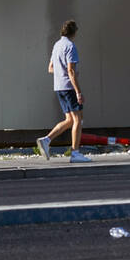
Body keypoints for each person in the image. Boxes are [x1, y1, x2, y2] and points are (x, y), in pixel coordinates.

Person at [36, 19, 89, 162]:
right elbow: (71, 71)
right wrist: (78, 92)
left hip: (58, 87)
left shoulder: (57, 45)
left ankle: (46, 140)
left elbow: (50, 68)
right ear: (74, 32)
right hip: (68, 87)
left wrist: (62, 73)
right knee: (78, 119)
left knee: (69, 119)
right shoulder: (70, 47)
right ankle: (75, 153)